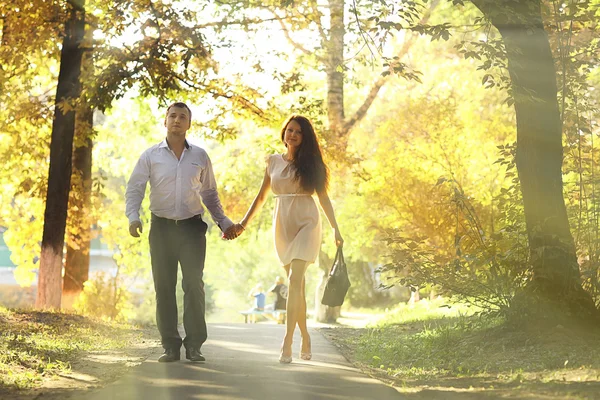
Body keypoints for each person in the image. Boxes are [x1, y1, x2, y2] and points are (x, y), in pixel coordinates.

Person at [225, 115, 344, 363]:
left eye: (298, 132)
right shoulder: (273, 162)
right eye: (289, 130)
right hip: (282, 224)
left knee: (294, 279)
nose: (292, 135)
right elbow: (260, 198)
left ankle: (287, 342)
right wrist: (243, 225)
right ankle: (305, 335)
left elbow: (323, 198)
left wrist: (335, 228)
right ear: (284, 134)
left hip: (307, 222)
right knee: (296, 287)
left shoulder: (313, 164)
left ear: (305, 137)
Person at [126, 102, 236, 363]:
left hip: (191, 229)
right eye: (172, 116)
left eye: (182, 117)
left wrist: (224, 222)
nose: (176, 120)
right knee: (164, 288)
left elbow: (210, 194)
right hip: (161, 228)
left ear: (189, 124)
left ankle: (195, 345)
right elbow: (135, 189)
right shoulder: (150, 156)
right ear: (165, 121)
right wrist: (133, 217)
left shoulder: (200, 156)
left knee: (193, 285)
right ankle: (171, 346)